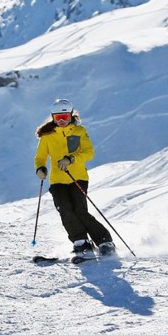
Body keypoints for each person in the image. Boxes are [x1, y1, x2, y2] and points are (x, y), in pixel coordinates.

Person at [34, 98, 116, 259]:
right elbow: (40, 157)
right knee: (65, 211)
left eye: (65, 117)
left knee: (80, 210)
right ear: (53, 117)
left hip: (77, 177)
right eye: (58, 118)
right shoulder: (47, 136)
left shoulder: (79, 132)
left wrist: (71, 159)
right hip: (58, 180)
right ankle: (81, 242)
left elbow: (88, 153)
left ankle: (105, 242)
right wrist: (40, 168)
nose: (62, 121)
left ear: (71, 116)